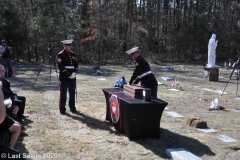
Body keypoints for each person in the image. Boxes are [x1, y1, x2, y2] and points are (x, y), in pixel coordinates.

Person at [57, 39, 78, 115]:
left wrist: (75, 73)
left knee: (72, 93)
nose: (70, 47)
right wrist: (70, 75)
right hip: (64, 77)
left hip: (73, 77)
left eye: (70, 46)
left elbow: (76, 64)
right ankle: (62, 109)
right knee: (63, 94)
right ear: (64, 46)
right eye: (68, 46)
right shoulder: (60, 54)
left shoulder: (73, 54)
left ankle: (72, 107)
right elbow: (61, 67)